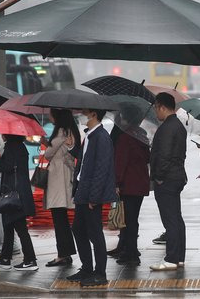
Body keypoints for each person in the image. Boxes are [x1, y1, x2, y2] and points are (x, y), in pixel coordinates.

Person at [66, 109, 117, 287]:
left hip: (91, 194)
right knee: (79, 229)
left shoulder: (102, 137)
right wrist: (72, 147)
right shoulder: (89, 135)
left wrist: (94, 197)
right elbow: (85, 160)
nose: (82, 115)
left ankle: (100, 273)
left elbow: (101, 170)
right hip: (82, 190)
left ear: (94, 114)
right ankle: (87, 268)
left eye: (85, 112)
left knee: (95, 233)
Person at [149, 93, 187, 271]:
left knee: (170, 219)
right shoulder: (179, 126)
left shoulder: (166, 128)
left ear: (161, 106)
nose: (156, 112)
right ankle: (179, 256)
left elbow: (163, 155)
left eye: (156, 108)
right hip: (177, 176)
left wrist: (159, 177)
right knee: (176, 218)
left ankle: (171, 258)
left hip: (167, 179)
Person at [0, 134, 38, 271]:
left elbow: (8, 167)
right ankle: (5, 258)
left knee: (20, 228)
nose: (2, 135)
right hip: (18, 193)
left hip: (14, 194)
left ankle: (30, 260)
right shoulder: (20, 146)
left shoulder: (11, 147)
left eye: (4, 133)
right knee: (8, 226)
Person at [111, 104, 151, 266]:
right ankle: (130, 250)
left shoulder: (125, 137)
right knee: (133, 219)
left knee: (128, 220)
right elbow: (148, 158)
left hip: (128, 184)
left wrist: (116, 182)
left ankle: (131, 253)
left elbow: (120, 162)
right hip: (140, 184)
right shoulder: (141, 134)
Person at [41, 109, 80, 267]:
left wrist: (45, 144)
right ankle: (66, 253)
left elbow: (49, 154)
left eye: (51, 114)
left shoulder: (62, 132)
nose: (50, 116)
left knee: (59, 218)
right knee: (61, 218)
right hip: (64, 177)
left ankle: (62, 255)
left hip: (58, 179)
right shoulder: (70, 131)